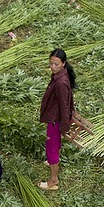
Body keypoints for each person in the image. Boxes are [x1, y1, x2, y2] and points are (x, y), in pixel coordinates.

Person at [39, 48, 76, 191]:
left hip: (55, 119)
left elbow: (64, 105)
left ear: (64, 63)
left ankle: (53, 180)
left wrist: (64, 125)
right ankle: (52, 162)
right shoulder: (61, 75)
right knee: (55, 144)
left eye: (56, 64)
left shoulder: (61, 82)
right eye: (51, 64)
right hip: (54, 117)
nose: (53, 67)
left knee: (51, 148)